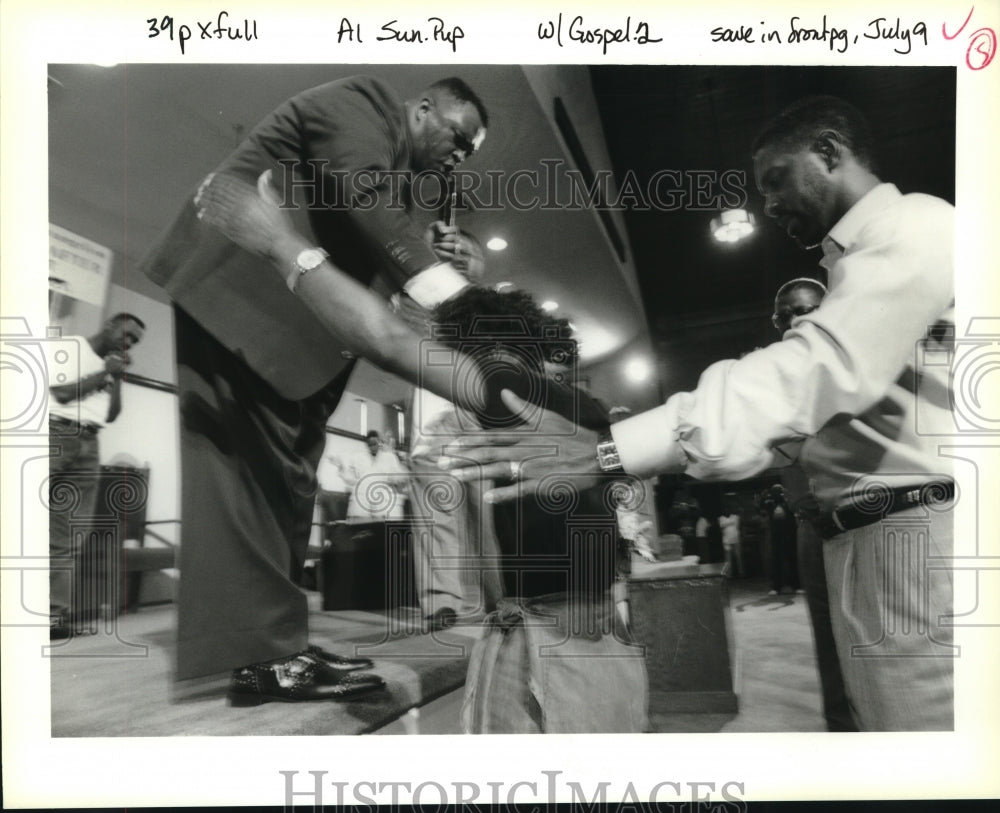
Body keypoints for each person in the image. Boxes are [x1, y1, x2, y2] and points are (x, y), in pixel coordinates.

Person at [448, 95, 956, 731]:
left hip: (907, 530)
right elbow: (795, 425)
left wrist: (609, 452)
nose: (768, 205)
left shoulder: (918, 223)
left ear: (829, 152)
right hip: (858, 533)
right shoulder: (853, 266)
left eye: (775, 180)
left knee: (923, 742)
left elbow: (813, 372)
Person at [140, 74, 489, 704]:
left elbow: (384, 247)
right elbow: (366, 203)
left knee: (287, 481)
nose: (460, 154)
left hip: (296, 333)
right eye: (459, 136)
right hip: (245, 297)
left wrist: (439, 263)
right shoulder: (364, 104)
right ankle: (261, 656)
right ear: (424, 108)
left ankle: (276, 646)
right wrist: (452, 293)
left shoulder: (406, 184)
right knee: (247, 475)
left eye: (470, 150)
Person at [772, 277, 858, 731]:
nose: (795, 319)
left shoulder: (854, 357)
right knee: (826, 636)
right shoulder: (778, 373)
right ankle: (840, 728)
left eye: (806, 308)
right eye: (784, 314)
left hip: (865, 518)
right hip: (813, 524)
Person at [48, 313, 145, 639]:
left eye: (134, 341)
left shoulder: (111, 366)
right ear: (109, 325)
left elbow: (112, 414)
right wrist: (105, 371)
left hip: (90, 442)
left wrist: (117, 377)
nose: (129, 342)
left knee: (71, 533)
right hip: (54, 434)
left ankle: (52, 618)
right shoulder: (71, 348)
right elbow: (60, 393)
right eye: (127, 333)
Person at [341, 430, 409, 521]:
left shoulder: (389, 457)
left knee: (381, 526)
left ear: (379, 442)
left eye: (375, 444)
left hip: (382, 505)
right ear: (366, 444)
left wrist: (394, 480)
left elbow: (399, 476)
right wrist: (341, 468)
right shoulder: (359, 458)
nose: (373, 447)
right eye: (370, 444)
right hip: (362, 505)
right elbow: (350, 478)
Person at [763, 484, 800, 595]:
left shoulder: (788, 504)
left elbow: (793, 512)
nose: (779, 494)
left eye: (780, 492)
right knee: (776, 562)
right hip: (776, 537)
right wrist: (767, 496)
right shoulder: (770, 504)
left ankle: (796, 586)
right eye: (776, 492)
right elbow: (762, 504)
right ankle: (776, 587)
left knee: (792, 561)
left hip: (789, 536)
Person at [717, 507, 742, 579]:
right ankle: (729, 575)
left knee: (738, 557)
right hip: (726, 541)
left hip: (736, 540)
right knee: (728, 560)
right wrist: (730, 522)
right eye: (725, 510)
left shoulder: (736, 517)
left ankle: (741, 573)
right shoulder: (721, 518)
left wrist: (726, 524)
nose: (727, 511)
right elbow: (721, 526)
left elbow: (738, 526)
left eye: (728, 509)